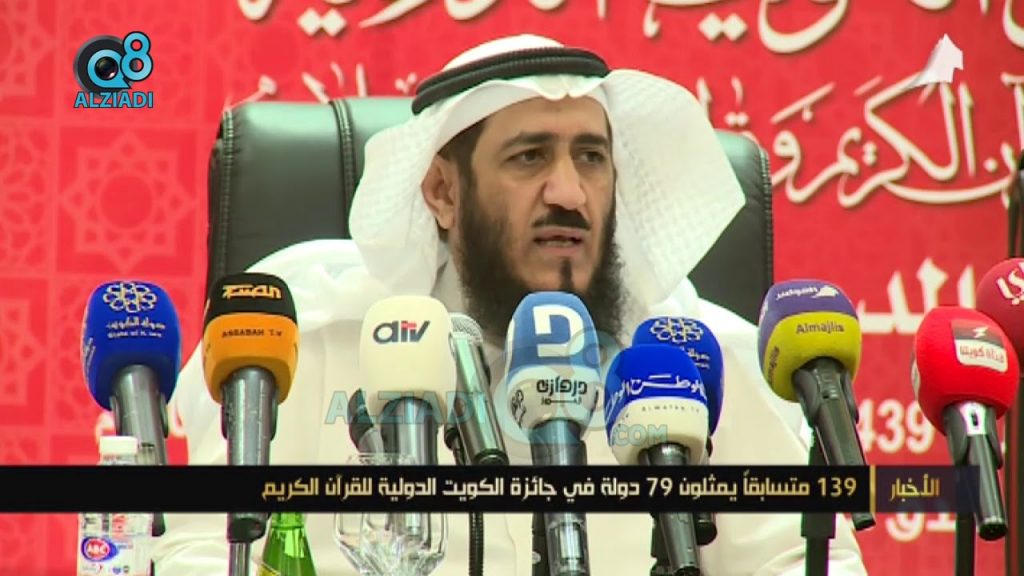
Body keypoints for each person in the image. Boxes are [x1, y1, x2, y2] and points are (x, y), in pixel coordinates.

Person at [154, 34, 867, 575]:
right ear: (442, 192)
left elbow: (801, 561)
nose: (569, 193)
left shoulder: (692, 357)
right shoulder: (311, 331)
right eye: (530, 157)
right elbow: (204, 553)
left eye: (591, 157)